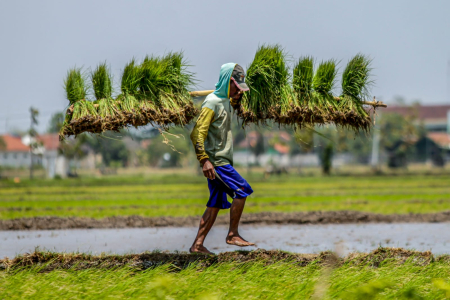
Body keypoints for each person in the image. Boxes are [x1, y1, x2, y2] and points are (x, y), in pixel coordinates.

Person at [189, 63, 255, 254]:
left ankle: (197, 245)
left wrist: (237, 97)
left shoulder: (224, 100)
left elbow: (229, 105)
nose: (238, 90)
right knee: (242, 190)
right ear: (228, 82)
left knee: (215, 204)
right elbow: (196, 134)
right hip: (217, 163)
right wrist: (204, 160)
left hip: (219, 161)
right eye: (236, 86)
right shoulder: (211, 103)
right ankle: (232, 234)